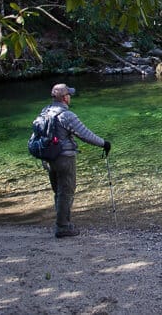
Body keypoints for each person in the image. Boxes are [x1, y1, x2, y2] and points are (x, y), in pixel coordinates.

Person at [42, 83, 111, 238]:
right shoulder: (66, 115)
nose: (70, 97)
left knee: (58, 191)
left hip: (49, 158)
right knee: (66, 192)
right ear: (65, 98)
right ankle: (63, 227)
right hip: (65, 158)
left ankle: (62, 223)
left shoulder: (45, 112)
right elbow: (85, 135)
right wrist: (104, 143)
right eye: (69, 95)